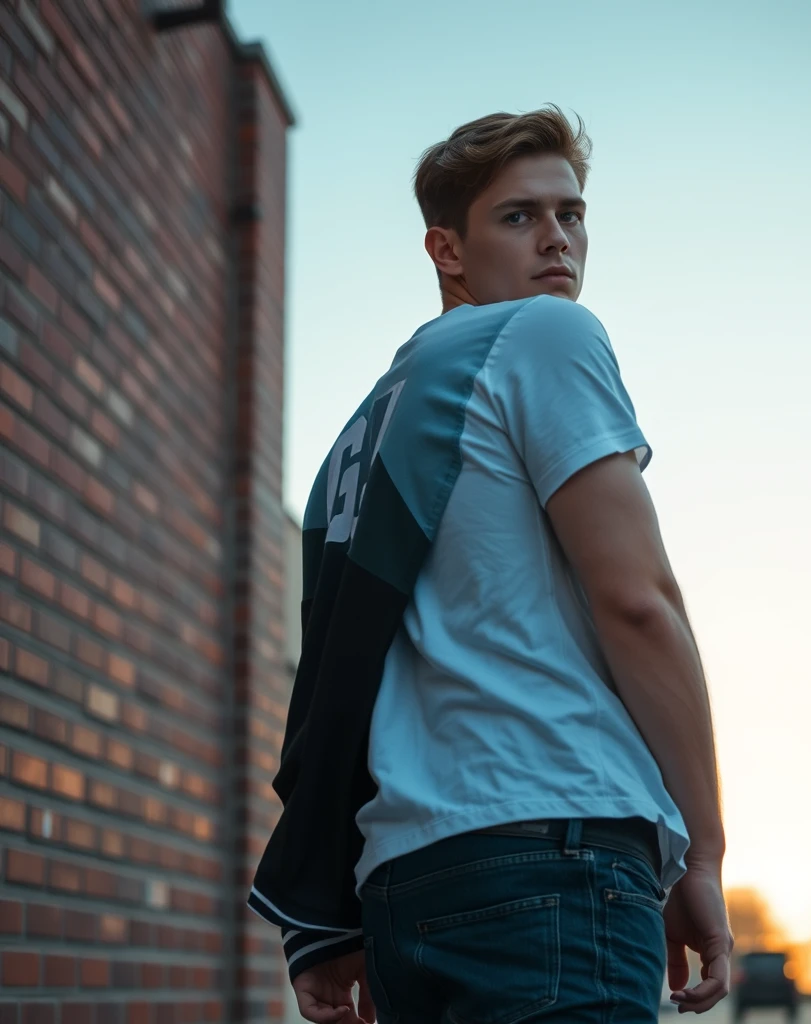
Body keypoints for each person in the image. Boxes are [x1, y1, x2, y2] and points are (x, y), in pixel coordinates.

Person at [249, 105, 733, 1023]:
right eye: (520, 217)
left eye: (572, 213)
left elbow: (328, 682)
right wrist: (702, 851)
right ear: (447, 250)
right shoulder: (548, 335)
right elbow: (639, 601)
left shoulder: (364, 432)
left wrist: (322, 914)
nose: (557, 239)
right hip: (554, 848)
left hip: (406, 882)